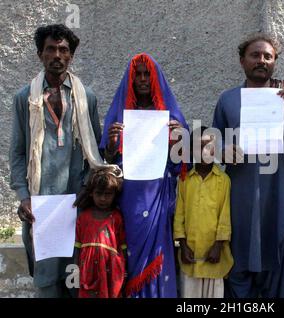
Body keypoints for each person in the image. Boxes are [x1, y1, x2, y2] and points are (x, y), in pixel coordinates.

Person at [9, 24, 110, 298]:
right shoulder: (25, 98)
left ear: (71, 56)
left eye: (63, 50)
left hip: (77, 203)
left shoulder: (85, 97)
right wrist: (23, 196)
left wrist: (89, 191)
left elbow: (96, 155)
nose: (57, 55)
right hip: (41, 206)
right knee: (46, 282)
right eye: (51, 49)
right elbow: (17, 153)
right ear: (40, 54)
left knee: (77, 279)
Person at [212, 33, 284, 298]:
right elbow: (213, 145)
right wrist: (224, 150)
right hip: (240, 196)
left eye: (268, 56)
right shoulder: (227, 100)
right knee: (238, 262)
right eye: (255, 55)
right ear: (242, 61)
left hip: (278, 193)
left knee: (277, 263)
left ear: (274, 62)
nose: (262, 60)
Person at [100, 53, 189, 297]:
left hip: (159, 195)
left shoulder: (170, 116)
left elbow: (185, 164)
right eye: (136, 74)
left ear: (155, 78)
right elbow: (108, 160)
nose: (141, 79)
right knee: (130, 252)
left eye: (146, 74)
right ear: (130, 78)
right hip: (129, 197)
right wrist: (111, 143)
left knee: (159, 252)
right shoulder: (121, 114)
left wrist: (181, 138)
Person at [173, 126, 233, 298]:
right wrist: (182, 246)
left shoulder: (223, 180)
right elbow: (179, 215)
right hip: (190, 256)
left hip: (213, 255)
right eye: (200, 146)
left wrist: (218, 246)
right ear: (191, 150)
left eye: (209, 146)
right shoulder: (184, 180)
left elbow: (225, 216)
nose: (205, 151)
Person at [73, 167, 126, 298]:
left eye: (108, 194)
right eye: (99, 193)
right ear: (91, 193)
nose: (103, 198)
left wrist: (124, 271)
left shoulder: (117, 218)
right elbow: (77, 247)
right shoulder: (83, 218)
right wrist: (76, 270)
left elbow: (122, 247)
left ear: (114, 195)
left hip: (111, 270)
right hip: (87, 270)